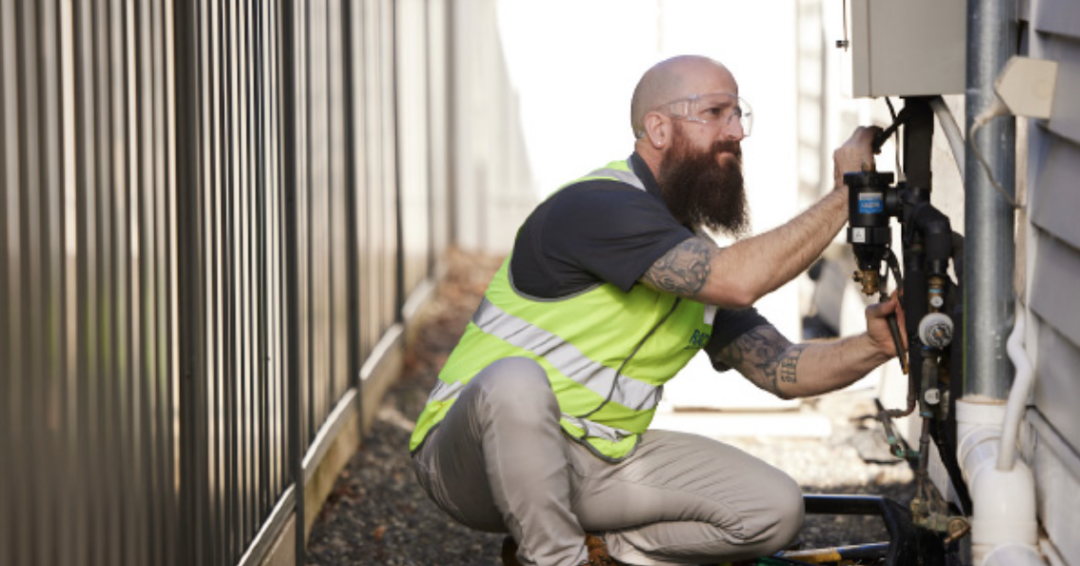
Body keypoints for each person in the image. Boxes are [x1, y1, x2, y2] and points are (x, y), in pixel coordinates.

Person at [409, 55, 901, 566]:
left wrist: (874, 346)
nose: (736, 132)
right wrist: (845, 195)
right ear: (659, 128)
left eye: (739, 115)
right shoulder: (597, 206)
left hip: (596, 461)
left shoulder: (691, 253)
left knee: (774, 509)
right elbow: (736, 281)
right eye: (715, 112)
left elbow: (781, 368)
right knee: (514, 381)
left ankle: (601, 552)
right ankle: (555, 559)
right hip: (471, 456)